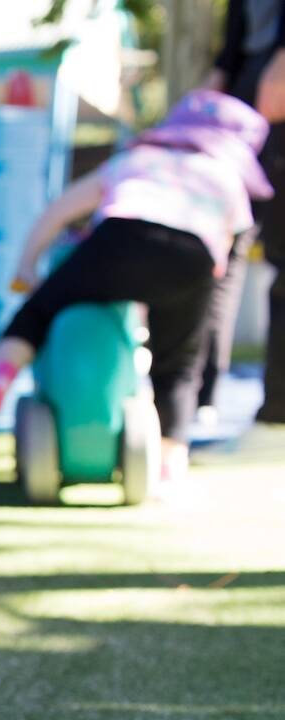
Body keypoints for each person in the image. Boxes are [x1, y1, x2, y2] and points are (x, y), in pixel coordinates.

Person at [0, 90, 273, 480]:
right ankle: (170, 456)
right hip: (194, 256)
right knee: (179, 364)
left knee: (38, 311)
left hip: (123, 237)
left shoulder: (139, 159)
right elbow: (225, 255)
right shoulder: (226, 178)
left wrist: (27, 265)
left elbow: (58, 211)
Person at [204, 0, 285, 426]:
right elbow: (233, 44)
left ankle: (278, 402)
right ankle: (198, 396)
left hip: (271, 96)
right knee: (217, 250)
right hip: (246, 96)